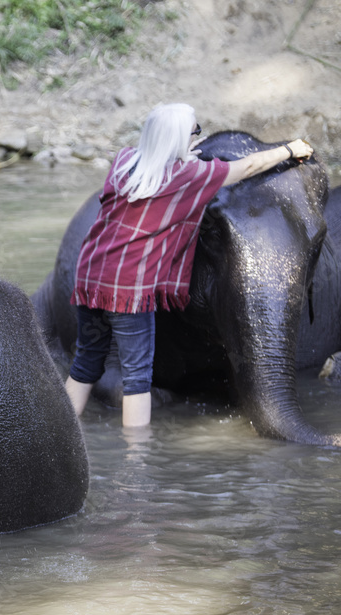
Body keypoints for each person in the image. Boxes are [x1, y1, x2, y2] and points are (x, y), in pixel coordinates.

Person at [64, 102, 314, 427]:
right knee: (138, 377)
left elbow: (152, 175)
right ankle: (135, 465)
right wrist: (289, 149)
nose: (198, 136)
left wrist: (183, 152)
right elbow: (249, 167)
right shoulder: (190, 176)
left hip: (90, 280)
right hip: (128, 291)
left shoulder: (124, 160)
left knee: (85, 363)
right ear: (181, 138)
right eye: (194, 131)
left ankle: (61, 438)